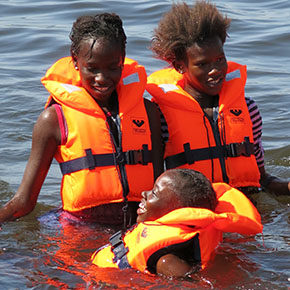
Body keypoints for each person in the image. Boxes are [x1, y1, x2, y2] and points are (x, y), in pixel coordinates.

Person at [0, 13, 164, 226]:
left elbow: (160, 185)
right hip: (80, 228)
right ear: (75, 61)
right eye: (92, 68)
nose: (102, 78)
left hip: (137, 227)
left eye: (113, 67)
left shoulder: (148, 111)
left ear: (123, 59)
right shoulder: (53, 120)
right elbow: (24, 202)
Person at [146, 0, 290, 196]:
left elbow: (262, 178)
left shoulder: (248, 110)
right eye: (203, 64)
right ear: (180, 66)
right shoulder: (159, 116)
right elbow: (154, 187)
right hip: (194, 213)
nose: (215, 71)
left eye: (220, 60)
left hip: (247, 208)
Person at [91, 169, 263, 278]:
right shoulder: (191, 233)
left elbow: (191, 283)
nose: (144, 193)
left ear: (176, 210)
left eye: (154, 193)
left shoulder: (166, 261)